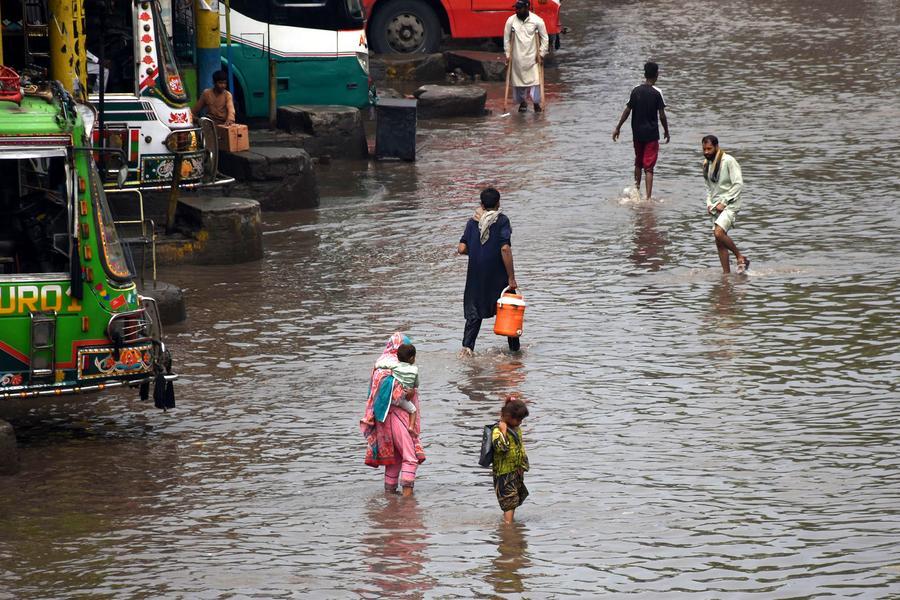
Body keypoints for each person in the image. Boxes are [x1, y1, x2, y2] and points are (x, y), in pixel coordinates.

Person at [360, 333, 426, 496]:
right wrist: (407, 393)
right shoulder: (397, 367)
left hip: (381, 418)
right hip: (398, 416)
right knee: (410, 456)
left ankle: (390, 499)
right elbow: (400, 394)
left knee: (394, 457)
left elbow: (373, 393)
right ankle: (408, 500)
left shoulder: (379, 366)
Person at [457, 188, 520, 354]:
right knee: (509, 309)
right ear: (498, 203)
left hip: (476, 276)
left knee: (474, 314)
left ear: (481, 204)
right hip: (498, 276)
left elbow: (462, 248)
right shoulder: (502, 221)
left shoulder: (472, 223)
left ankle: (466, 350)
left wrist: (478, 250)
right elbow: (505, 249)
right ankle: (514, 353)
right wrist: (511, 278)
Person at [612, 62, 670, 201]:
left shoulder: (635, 90)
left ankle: (636, 192)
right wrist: (666, 131)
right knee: (648, 167)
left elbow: (627, 110)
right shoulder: (657, 92)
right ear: (656, 75)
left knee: (638, 163)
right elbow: (662, 115)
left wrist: (618, 127)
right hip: (651, 135)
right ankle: (648, 198)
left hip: (637, 133)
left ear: (645, 74)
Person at [702, 135, 749, 273]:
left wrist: (724, 202)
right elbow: (708, 187)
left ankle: (740, 257)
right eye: (704, 149)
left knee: (718, 232)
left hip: (730, 203)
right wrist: (709, 203)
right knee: (720, 243)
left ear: (716, 147)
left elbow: (738, 184)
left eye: (709, 149)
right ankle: (726, 276)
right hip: (715, 206)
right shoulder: (706, 164)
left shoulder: (728, 161)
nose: (706, 152)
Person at [504, 0, 549, 112]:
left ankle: (536, 103)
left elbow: (545, 39)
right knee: (518, 83)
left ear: (527, 8)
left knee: (535, 81)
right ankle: (522, 102)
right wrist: (508, 55)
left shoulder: (537, 21)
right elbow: (506, 40)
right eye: (516, 8)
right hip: (517, 58)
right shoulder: (511, 21)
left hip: (533, 58)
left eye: (520, 8)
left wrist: (541, 54)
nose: (517, 10)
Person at [492, 396, 530, 524]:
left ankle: (509, 522)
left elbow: (520, 448)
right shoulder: (497, 430)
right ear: (508, 417)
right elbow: (501, 448)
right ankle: (508, 527)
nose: (520, 422)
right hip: (503, 473)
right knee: (508, 501)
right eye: (518, 419)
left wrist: (522, 466)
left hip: (515, 471)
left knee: (514, 500)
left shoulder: (516, 429)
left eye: (521, 420)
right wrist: (503, 432)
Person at [374, 342, 419, 429]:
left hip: (390, 396)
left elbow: (380, 365)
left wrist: (376, 366)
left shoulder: (395, 365)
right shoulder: (415, 369)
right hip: (402, 397)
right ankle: (411, 427)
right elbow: (416, 384)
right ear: (412, 358)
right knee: (413, 410)